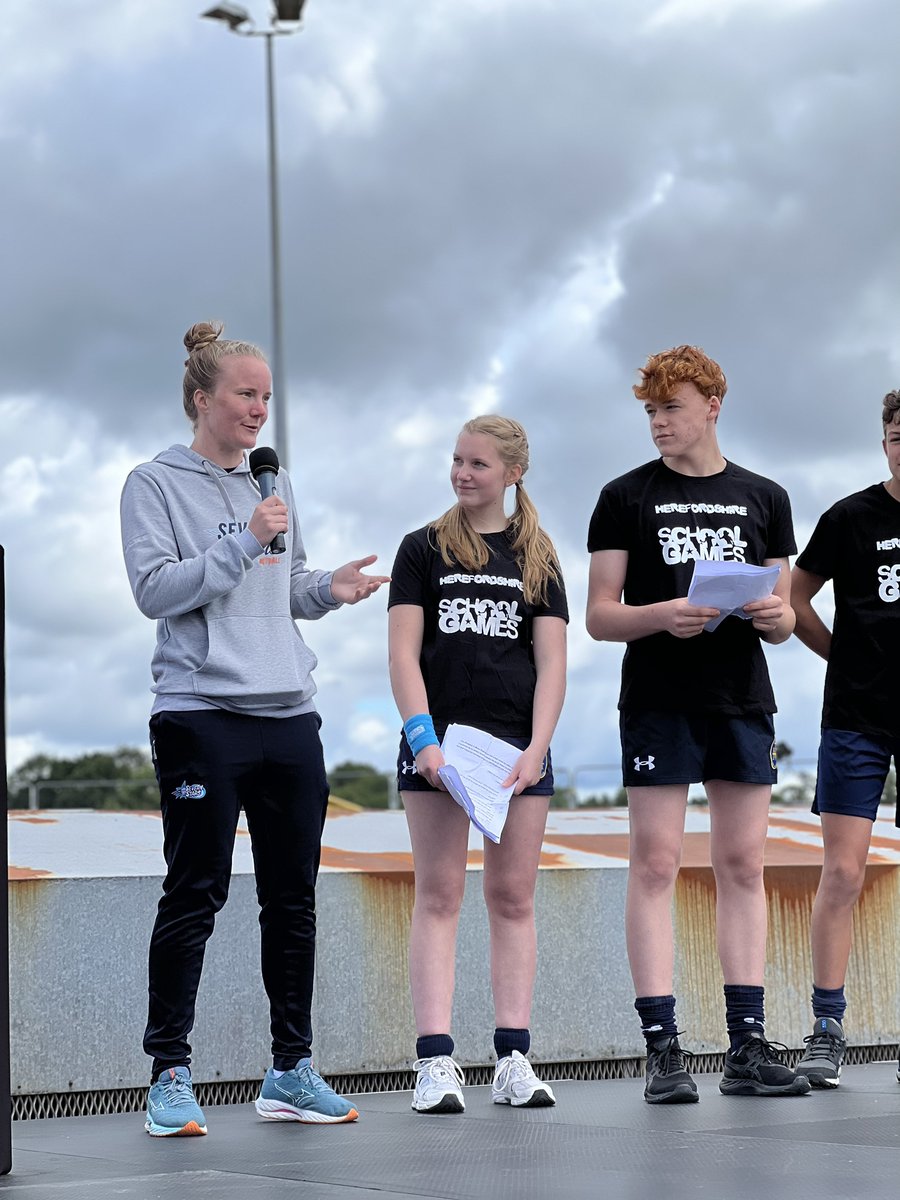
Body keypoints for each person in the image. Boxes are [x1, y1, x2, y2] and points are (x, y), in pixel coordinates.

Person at [120, 321, 389, 1137]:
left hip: (288, 716)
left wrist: (326, 588)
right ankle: (168, 1073)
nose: (259, 410)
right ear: (202, 398)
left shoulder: (276, 488)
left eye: (267, 396)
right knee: (195, 894)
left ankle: (289, 1068)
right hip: (201, 716)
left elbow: (284, 584)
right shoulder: (153, 484)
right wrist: (247, 538)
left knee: (293, 900)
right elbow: (157, 591)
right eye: (245, 394)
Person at [586, 345, 810, 1103]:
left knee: (743, 866)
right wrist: (663, 616)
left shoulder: (766, 495)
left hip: (741, 698)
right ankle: (663, 1050)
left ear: (713, 406)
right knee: (654, 865)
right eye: (650, 411)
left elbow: (781, 615)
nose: (658, 423)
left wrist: (778, 616)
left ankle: (746, 1043)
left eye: (671, 408)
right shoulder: (624, 496)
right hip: (656, 698)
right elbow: (599, 614)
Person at [388, 415, 567, 1114]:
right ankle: (434, 1062)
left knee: (513, 899)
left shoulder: (539, 555)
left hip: (514, 755)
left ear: (513, 473)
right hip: (438, 750)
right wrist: (422, 738)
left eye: (479, 465)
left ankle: (512, 1057)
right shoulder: (422, 548)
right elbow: (404, 653)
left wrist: (536, 749)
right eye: (457, 460)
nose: (463, 474)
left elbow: (552, 664)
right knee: (438, 896)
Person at [792, 388, 900, 1088]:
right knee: (844, 873)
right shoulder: (850, 517)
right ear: (884, 440)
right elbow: (792, 598)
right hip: (856, 717)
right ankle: (828, 1028)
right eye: (896, 432)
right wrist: (847, 654)